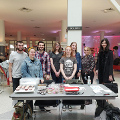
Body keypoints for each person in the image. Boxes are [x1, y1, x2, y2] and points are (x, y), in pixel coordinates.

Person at [21, 47, 44, 112]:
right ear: (28, 53)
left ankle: (41, 106)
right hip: (29, 82)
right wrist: (32, 80)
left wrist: (41, 78)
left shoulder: (37, 61)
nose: (33, 53)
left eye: (34, 52)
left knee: (39, 94)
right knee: (30, 96)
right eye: (31, 52)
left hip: (37, 81)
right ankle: (30, 110)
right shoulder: (25, 61)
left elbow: (40, 70)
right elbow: (24, 72)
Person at [95, 38, 114, 115]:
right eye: (102, 43)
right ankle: (101, 101)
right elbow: (98, 62)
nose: (103, 44)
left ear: (107, 44)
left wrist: (110, 74)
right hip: (101, 72)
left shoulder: (110, 52)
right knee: (101, 86)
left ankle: (106, 103)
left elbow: (110, 64)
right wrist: (96, 69)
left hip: (106, 72)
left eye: (105, 43)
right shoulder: (100, 52)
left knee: (106, 87)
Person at [60, 46, 77, 111]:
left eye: (69, 50)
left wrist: (71, 76)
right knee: (64, 91)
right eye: (67, 50)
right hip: (64, 77)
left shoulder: (74, 58)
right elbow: (61, 68)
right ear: (65, 50)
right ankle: (64, 104)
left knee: (71, 91)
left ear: (71, 51)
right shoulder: (62, 58)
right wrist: (65, 76)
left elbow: (75, 68)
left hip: (72, 77)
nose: (68, 51)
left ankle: (69, 104)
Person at [35, 41, 51, 111]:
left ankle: (43, 104)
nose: (41, 46)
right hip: (36, 75)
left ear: (44, 46)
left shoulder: (46, 54)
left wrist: (48, 74)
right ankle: (39, 104)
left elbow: (48, 64)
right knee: (37, 89)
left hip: (44, 74)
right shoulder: (35, 54)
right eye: (40, 45)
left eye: (42, 45)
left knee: (43, 89)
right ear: (38, 46)